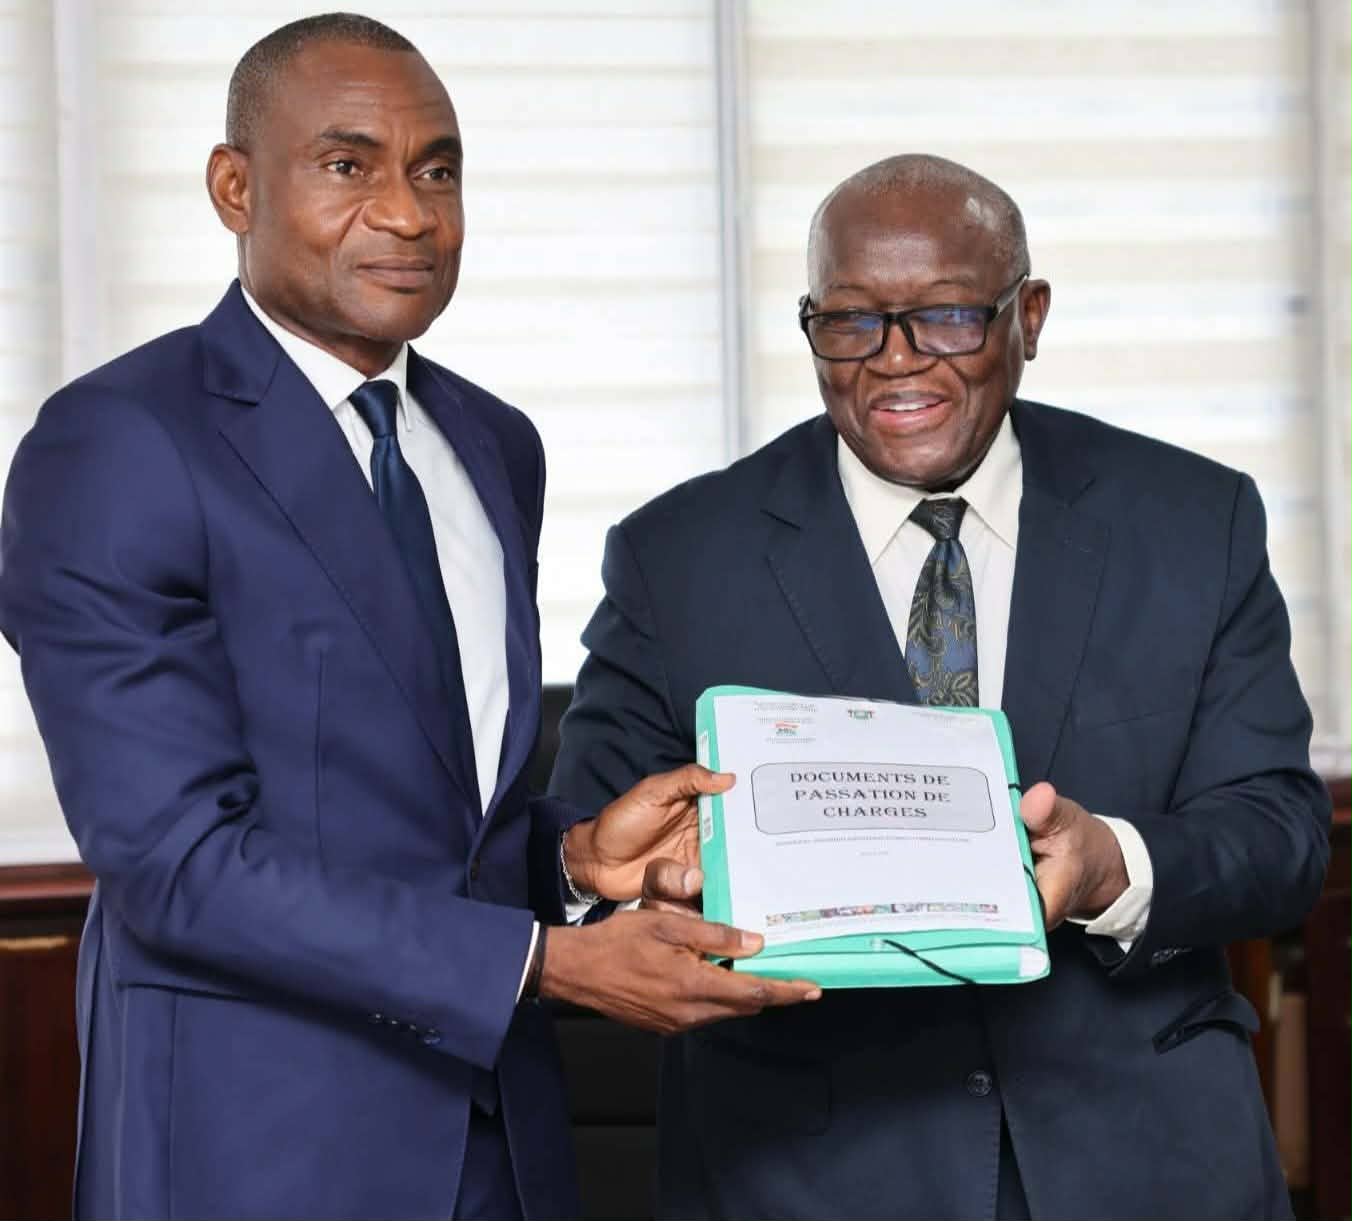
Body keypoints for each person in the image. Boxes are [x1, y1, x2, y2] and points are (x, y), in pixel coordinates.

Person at [0, 14, 819, 1221]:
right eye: (347, 166)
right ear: (235, 187)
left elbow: (427, 805)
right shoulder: (119, 444)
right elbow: (176, 865)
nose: (408, 212)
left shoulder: (492, 443)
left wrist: (574, 860)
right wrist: (543, 960)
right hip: (256, 1151)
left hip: (501, 1141)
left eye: (437, 170)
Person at [549, 153, 1331, 1220]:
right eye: (850, 321)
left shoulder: (1193, 523)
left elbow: (1279, 836)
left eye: (948, 317)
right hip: (806, 1174)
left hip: (1147, 1161)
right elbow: (588, 845)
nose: (894, 361)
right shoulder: (676, 556)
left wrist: (1115, 868)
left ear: (1028, 316)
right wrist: (638, 882)